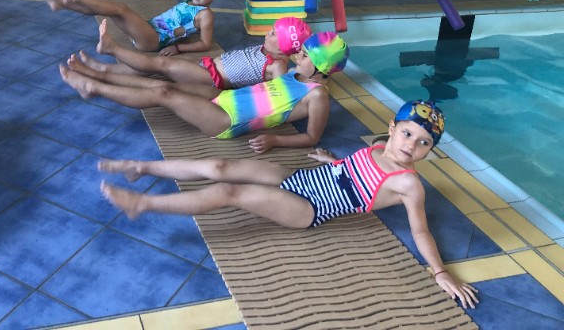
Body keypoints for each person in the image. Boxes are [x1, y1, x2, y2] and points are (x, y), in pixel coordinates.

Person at [98, 100, 479, 309]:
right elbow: (356, 172)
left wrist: (439, 272)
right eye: (408, 133)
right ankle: (140, 167)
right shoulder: (379, 146)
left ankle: (142, 204)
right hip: (304, 178)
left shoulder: (409, 184)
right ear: (392, 128)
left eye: (424, 143)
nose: (411, 145)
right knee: (220, 166)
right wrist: (333, 162)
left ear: (430, 152)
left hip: (308, 208)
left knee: (230, 191)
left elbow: (420, 230)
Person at [60, 31, 349, 153]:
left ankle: (93, 87)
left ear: (322, 66)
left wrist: (275, 140)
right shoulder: (295, 72)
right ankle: (99, 75)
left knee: (164, 94)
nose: (298, 54)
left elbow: (312, 138)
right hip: (225, 98)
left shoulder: (317, 96)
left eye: (305, 55)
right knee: (164, 84)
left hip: (227, 120)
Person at [77, 16, 312, 89]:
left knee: (161, 65)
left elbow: (279, 93)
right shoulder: (269, 51)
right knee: (153, 70)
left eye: (274, 34)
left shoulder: (278, 65)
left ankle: (111, 49)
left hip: (211, 80)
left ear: (284, 46)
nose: (268, 33)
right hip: (207, 67)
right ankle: (102, 70)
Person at [40, 0, 226, 55]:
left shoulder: (206, 15)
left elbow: (205, 44)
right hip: (148, 30)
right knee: (112, 10)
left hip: (154, 40)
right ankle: (62, 4)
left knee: (120, 8)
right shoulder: (190, 2)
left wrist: (177, 48)